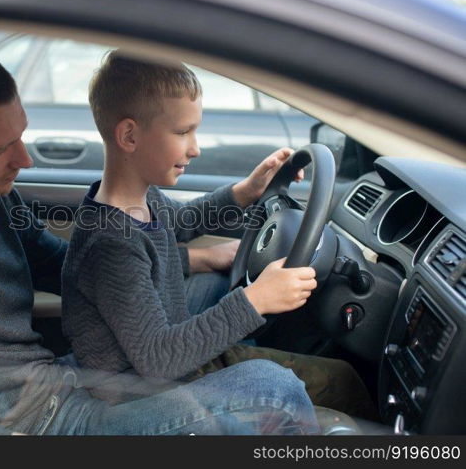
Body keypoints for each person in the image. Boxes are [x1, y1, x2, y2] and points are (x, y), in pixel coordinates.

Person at [0, 45, 319, 435]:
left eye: (21, 135)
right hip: (38, 421)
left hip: (63, 376)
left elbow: (64, 264)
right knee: (270, 386)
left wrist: (196, 256)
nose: (25, 160)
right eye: (1, 149)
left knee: (214, 292)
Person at [61, 51, 377, 419]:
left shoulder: (141, 199)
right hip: (148, 397)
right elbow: (158, 359)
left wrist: (243, 192)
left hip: (175, 364)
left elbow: (184, 220)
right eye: (182, 133)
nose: (195, 148)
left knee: (343, 377)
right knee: (334, 383)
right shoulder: (111, 244)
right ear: (129, 135)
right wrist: (256, 299)